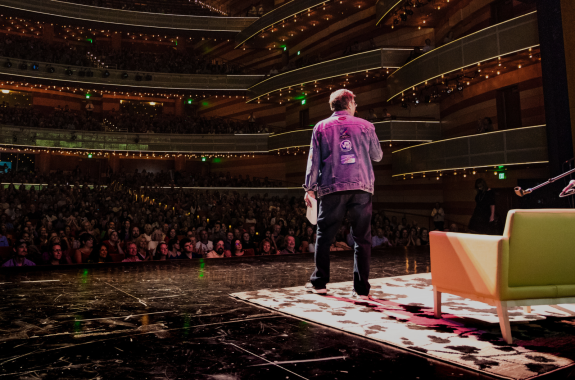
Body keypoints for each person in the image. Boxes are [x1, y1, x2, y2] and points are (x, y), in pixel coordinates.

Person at [304, 89, 383, 298]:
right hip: (362, 188)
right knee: (362, 239)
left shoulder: (320, 127)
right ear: (349, 104)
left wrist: (309, 188)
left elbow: (313, 161)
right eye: (355, 103)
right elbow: (378, 156)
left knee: (324, 236)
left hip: (332, 187)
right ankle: (362, 289)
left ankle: (320, 282)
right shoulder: (367, 126)